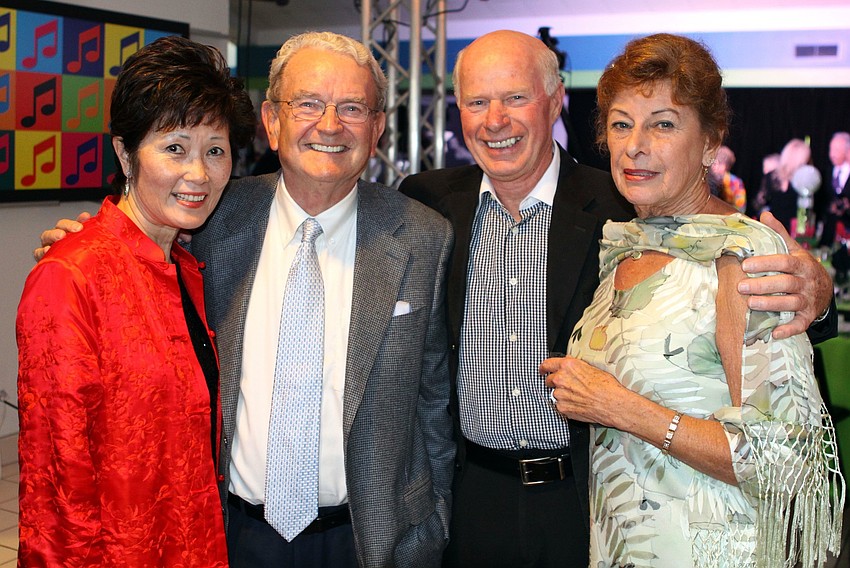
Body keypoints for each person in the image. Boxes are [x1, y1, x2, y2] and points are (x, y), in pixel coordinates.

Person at [399, 30, 837, 567]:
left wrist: (819, 290)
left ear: (555, 98)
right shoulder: (428, 205)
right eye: (476, 101)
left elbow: (757, 286)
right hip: (485, 497)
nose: (496, 119)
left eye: (515, 97)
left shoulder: (623, 198)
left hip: (587, 503)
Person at [35, 31, 454, 568]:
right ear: (272, 122)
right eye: (307, 104)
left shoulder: (423, 236)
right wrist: (86, 246)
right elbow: (137, 243)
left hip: (368, 539)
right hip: (231, 533)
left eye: (352, 107)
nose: (330, 125)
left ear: (376, 128)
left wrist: (431, 526)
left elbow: (432, 403)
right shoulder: (212, 215)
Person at [543, 33, 844, 567]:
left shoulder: (740, 255)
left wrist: (621, 407)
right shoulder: (624, 245)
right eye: (621, 123)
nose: (635, 144)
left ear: (710, 143)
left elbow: (784, 460)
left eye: (663, 123)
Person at [16, 36, 256, 566]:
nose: (199, 173)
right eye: (175, 148)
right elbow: (57, 487)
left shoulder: (189, 269)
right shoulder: (70, 277)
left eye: (215, 150)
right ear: (125, 152)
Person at [752, 137, 812, 233]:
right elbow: (758, 204)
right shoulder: (772, 177)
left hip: (785, 233)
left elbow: (758, 204)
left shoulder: (773, 177)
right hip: (776, 232)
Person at [817, 131, 850, 247]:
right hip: (828, 234)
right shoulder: (826, 173)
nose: (832, 154)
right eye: (831, 150)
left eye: (836, 150)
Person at [708, 145, 746, 212]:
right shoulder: (707, 178)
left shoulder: (735, 183)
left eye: (718, 163)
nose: (714, 166)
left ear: (725, 166)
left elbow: (740, 208)